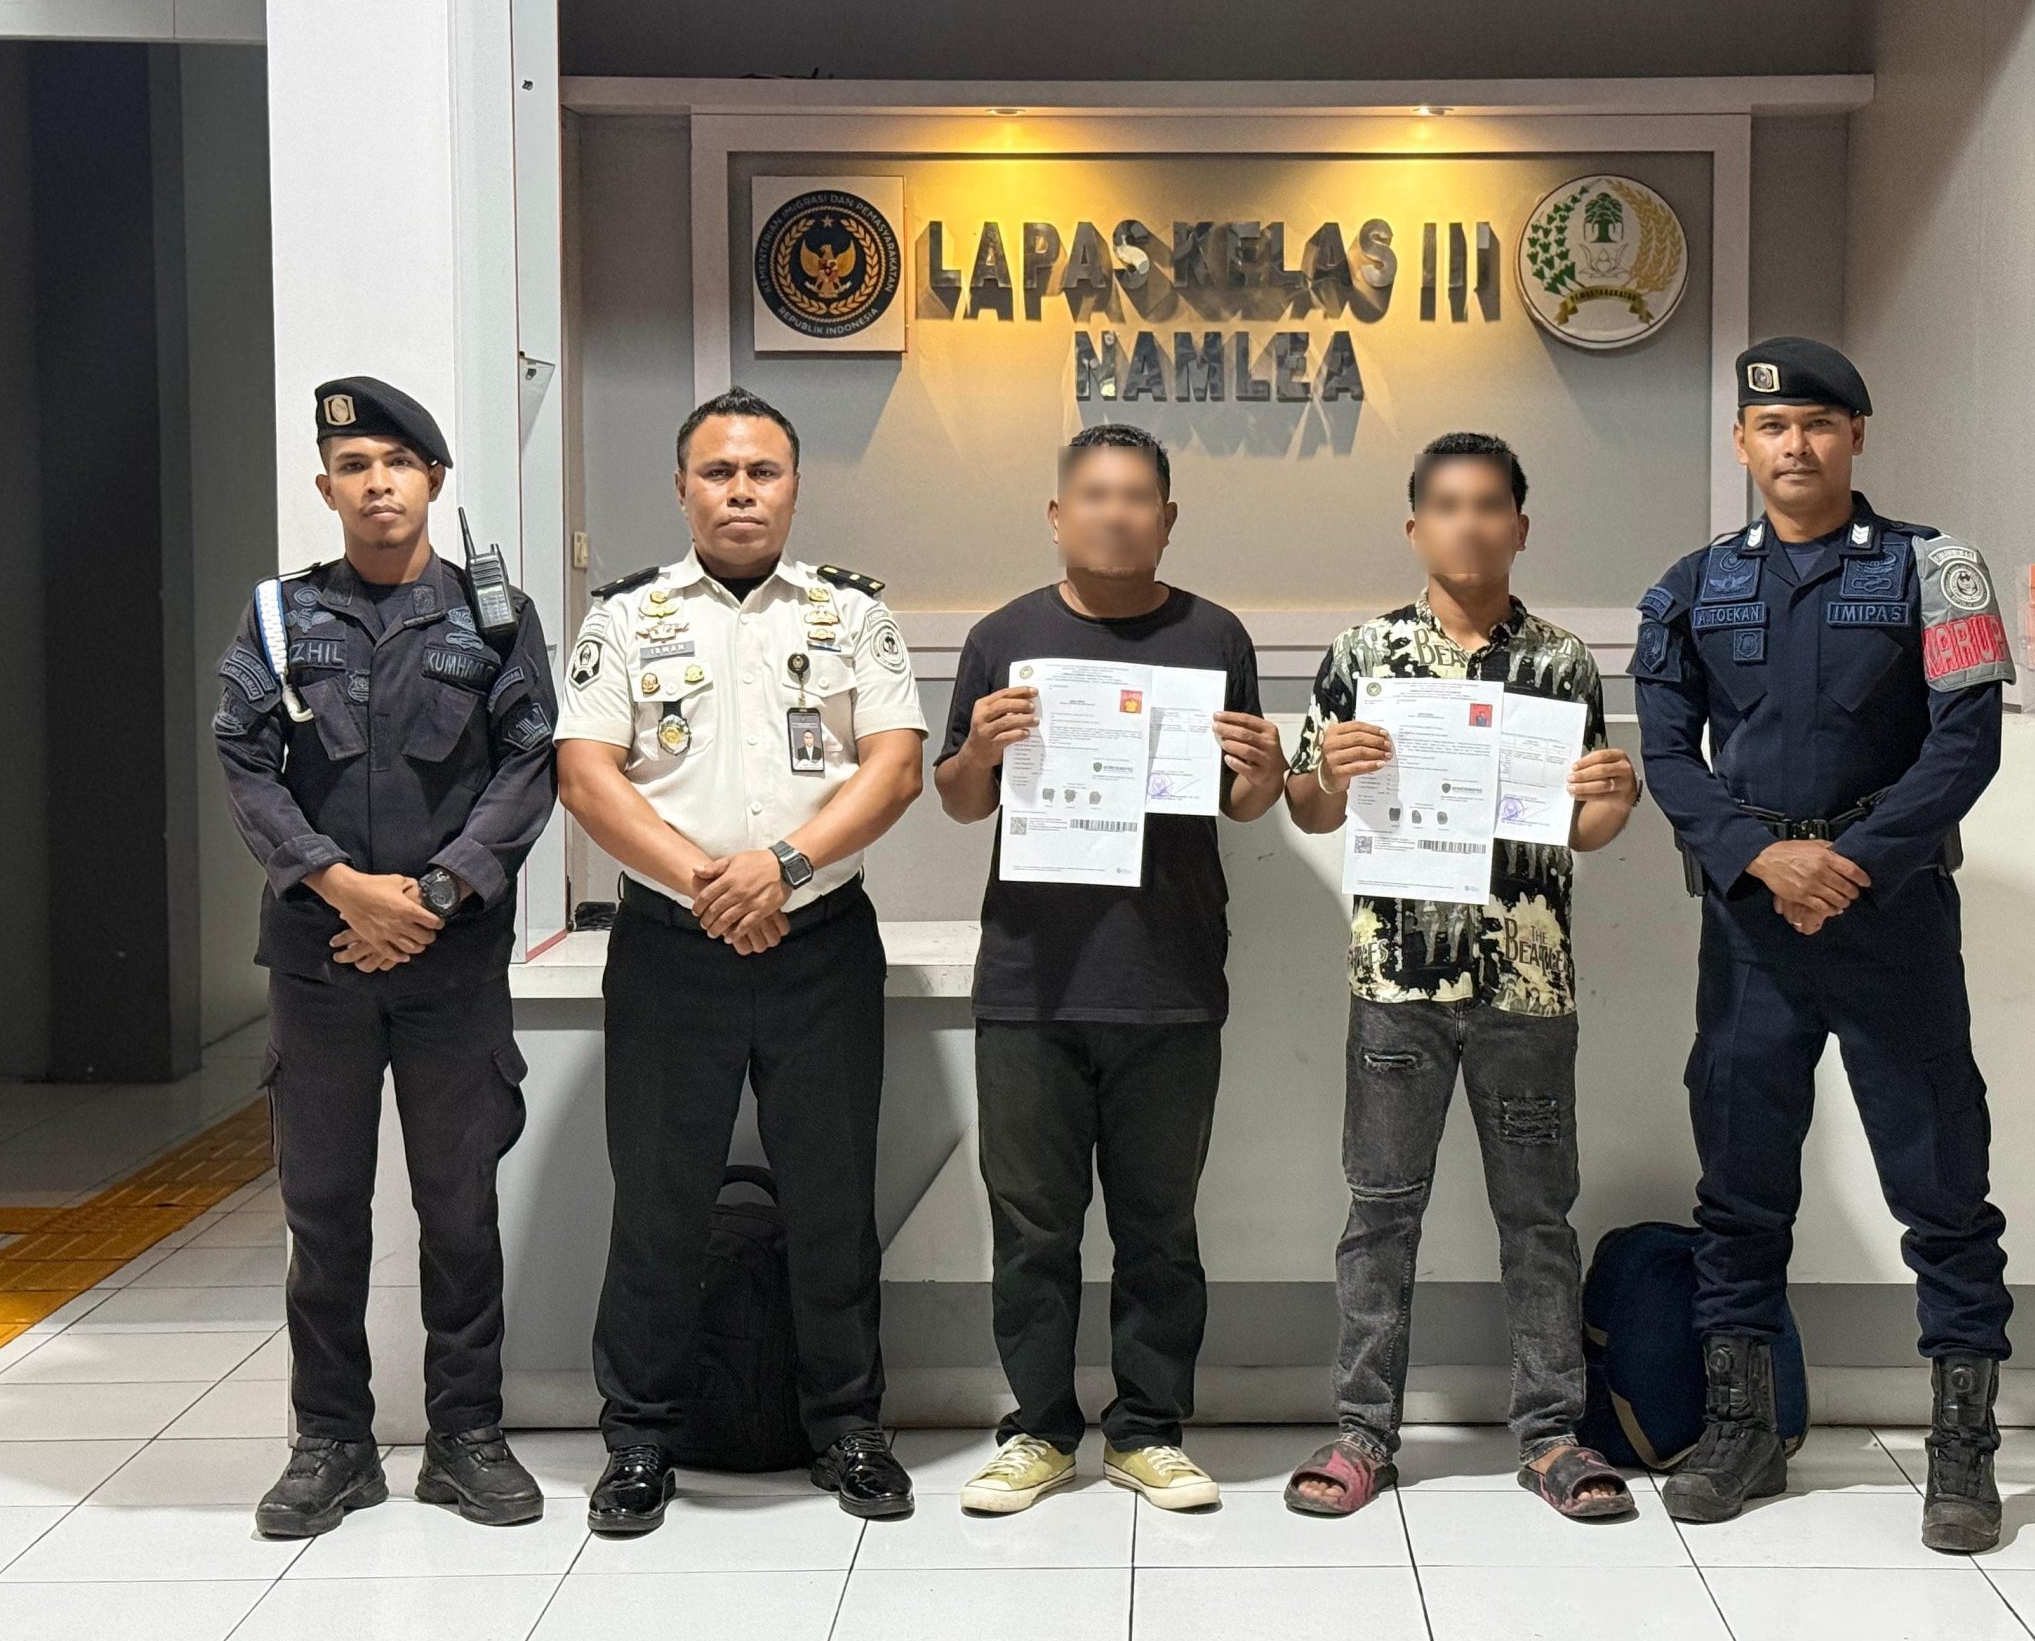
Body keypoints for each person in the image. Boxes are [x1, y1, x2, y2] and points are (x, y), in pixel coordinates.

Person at [1633, 336, 2016, 1553]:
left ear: (1855, 435)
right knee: (1739, 1184)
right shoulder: (1691, 586)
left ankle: (1962, 1452)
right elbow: (1664, 755)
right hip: (1752, 925)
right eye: (1771, 427)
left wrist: (1849, 865)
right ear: (1740, 445)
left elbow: (1965, 745)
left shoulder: (1937, 570)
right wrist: (1762, 859)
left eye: (1816, 423)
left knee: (1941, 1182)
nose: (1793, 445)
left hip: (1890, 918)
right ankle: (1741, 1431)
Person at [555, 387, 927, 1532]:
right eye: (717, 472)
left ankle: (847, 1427)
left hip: (821, 944)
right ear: (682, 489)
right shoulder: (626, 618)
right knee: (657, 1202)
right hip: (672, 948)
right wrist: (711, 885)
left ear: (793, 487)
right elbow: (586, 776)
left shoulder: (850, 613)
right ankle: (640, 1439)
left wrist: (783, 869)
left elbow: (895, 766)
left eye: (762, 471)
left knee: (832, 1197)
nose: (740, 491)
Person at [214, 376, 556, 1538]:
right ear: (326, 489)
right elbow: (245, 763)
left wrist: (436, 892)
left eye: (397, 463)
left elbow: (529, 765)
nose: (377, 485)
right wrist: (340, 885)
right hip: (320, 965)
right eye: (354, 467)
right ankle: (332, 1443)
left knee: (460, 1209)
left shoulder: (493, 619)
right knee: (324, 1214)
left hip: (450, 964)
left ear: (433, 480)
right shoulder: (278, 619)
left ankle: (465, 1436)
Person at [1279, 432, 1642, 1522]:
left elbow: (1583, 827)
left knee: (1539, 1221)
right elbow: (1307, 808)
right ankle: (1362, 1434)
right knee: (1380, 1213)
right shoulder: (1363, 656)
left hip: (1528, 988)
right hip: (1397, 983)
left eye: (1489, 505)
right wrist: (1327, 773)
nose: (1468, 524)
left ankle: (1552, 1435)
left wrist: (1614, 799)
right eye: (1446, 505)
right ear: (1415, 527)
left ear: (1519, 527)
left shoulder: (1562, 664)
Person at [933, 424, 1286, 1516]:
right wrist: (980, 749)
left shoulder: (1214, 636)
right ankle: (1038, 1431)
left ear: (1167, 519)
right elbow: (958, 799)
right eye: (1093, 495)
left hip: (1168, 976)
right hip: (1030, 982)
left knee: (1159, 1229)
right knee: (1031, 1227)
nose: (1115, 513)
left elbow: (1244, 803)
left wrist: (1266, 771)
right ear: (1057, 515)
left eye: (1138, 498)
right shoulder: (1004, 638)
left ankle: (1147, 1432)